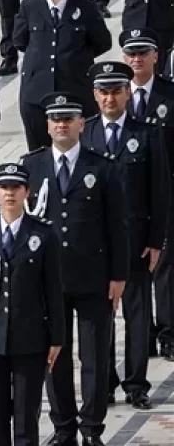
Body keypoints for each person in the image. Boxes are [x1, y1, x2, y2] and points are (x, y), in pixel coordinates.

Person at [20, 92, 127, 446]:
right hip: (49, 280)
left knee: (95, 356)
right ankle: (64, 426)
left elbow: (117, 225)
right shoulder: (31, 167)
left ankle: (92, 428)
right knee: (56, 356)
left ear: (83, 123)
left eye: (68, 119)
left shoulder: (103, 167)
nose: (61, 125)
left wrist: (119, 276)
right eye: (55, 119)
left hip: (93, 276)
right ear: (47, 125)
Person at [81, 62, 169, 411]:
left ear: (128, 93)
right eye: (104, 91)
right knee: (101, 317)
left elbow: (160, 191)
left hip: (135, 241)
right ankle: (104, 382)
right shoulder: (84, 133)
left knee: (136, 315)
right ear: (95, 95)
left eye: (117, 90)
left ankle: (136, 383)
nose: (110, 97)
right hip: (96, 245)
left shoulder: (146, 133)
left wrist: (156, 240)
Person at [0, 163, 64, 446]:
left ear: (26, 192)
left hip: (29, 338)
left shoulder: (42, 234)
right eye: (4, 188)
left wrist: (57, 338)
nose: (10, 194)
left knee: (26, 421)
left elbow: (53, 290)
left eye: (16, 188)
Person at [13, 0, 112, 150]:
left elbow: (102, 42)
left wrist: (76, 58)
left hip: (74, 91)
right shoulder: (30, 6)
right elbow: (20, 40)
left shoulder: (85, 7)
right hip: (37, 93)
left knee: (80, 151)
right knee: (39, 154)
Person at [123, 28, 174, 360]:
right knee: (134, 265)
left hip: (166, 191)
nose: (137, 59)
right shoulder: (114, 94)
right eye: (132, 54)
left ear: (157, 56)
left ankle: (168, 331)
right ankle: (143, 333)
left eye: (143, 52)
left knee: (167, 263)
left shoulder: (170, 95)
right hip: (127, 196)